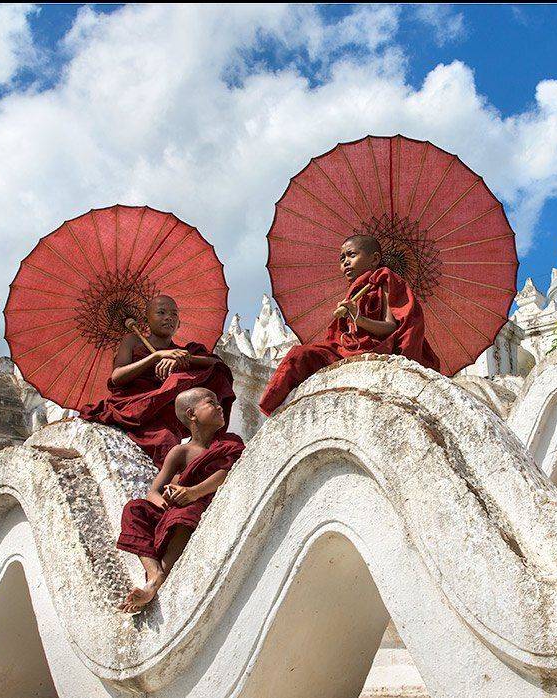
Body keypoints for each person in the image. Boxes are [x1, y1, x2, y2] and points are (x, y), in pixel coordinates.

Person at [258, 234, 440, 416]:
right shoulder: (355, 292)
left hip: (376, 347)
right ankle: (271, 410)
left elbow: (390, 326)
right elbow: (342, 337)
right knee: (300, 354)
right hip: (347, 350)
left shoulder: (384, 281)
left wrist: (359, 318)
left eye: (352, 255)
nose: (345, 262)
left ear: (374, 259)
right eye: (342, 258)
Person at [116, 387, 245, 613]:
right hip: (176, 506)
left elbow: (226, 473)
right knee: (134, 509)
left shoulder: (230, 443)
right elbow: (153, 492)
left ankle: (155, 584)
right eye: (210, 402)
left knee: (186, 510)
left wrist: (193, 492)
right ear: (191, 414)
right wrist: (164, 499)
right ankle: (154, 571)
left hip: (200, 503)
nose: (219, 407)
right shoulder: (180, 452)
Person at [79, 294, 235, 467]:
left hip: (167, 407)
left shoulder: (184, 351)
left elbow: (217, 365)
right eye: (161, 312)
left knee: (206, 374)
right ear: (147, 320)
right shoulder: (132, 341)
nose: (169, 317)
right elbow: (117, 377)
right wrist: (155, 356)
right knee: (165, 440)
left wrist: (184, 359)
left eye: (174, 314)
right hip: (138, 403)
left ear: (179, 324)